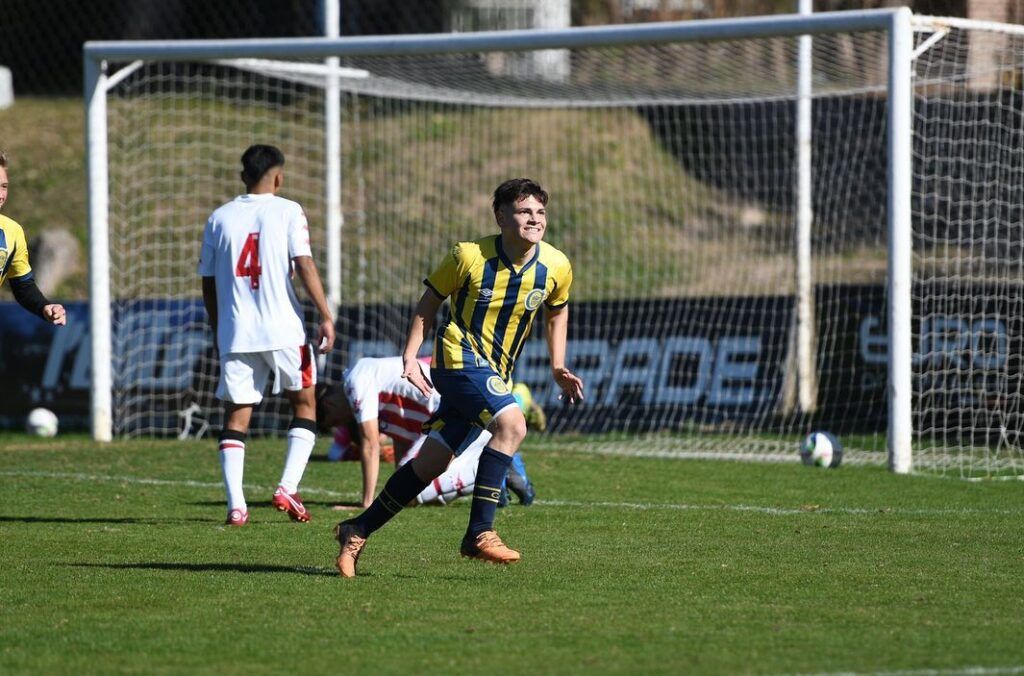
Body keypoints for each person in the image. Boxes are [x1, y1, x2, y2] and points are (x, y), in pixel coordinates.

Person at [334, 177, 583, 577]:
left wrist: (557, 366)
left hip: (496, 371)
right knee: (513, 424)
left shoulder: (556, 265)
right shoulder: (468, 256)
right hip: (456, 358)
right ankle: (480, 532)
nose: (535, 219)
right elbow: (429, 302)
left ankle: (357, 529)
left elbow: (558, 311)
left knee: (431, 463)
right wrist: (410, 355)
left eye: (540, 212)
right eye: (524, 211)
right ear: (501, 217)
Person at [198, 144, 335, 527]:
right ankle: (287, 487)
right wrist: (326, 315)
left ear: (243, 175)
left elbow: (208, 282)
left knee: (236, 415)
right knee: (304, 404)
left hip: (237, 332)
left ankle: (236, 506)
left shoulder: (219, 218)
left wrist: (219, 326)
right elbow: (303, 263)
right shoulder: (288, 210)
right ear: (279, 177)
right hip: (284, 329)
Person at [317, 356, 541, 507]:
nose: (340, 425)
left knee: (408, 491)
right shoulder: (365, 375)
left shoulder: (356, 382)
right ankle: (494, 470)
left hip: (454, 413)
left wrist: (367, 503)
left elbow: (370, 444)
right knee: (404, 491)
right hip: (449, 412)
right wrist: (399, 476)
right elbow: (402, 433)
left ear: (329, 405)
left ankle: (490, 471)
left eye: (334, 422)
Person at [0, 151, 66, 326]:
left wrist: (44, 306)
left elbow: (22, 285)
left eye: (4, 186)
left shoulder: (12, 231)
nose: (0, 194)